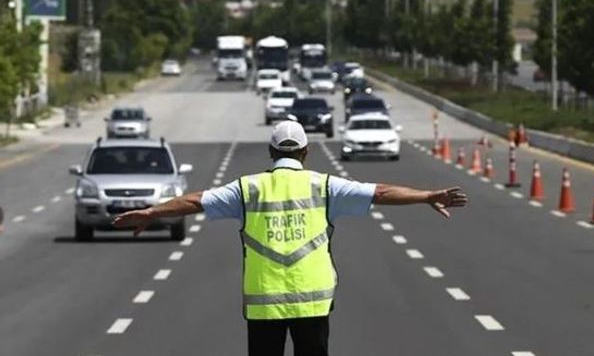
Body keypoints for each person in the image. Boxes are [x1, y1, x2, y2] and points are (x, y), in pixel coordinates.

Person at [113, 121, 468, 356]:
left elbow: (195, 201)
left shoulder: (247, 189)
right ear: (305, 152)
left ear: (271, 153)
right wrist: (426, 196)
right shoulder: (324, 185)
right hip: (312, 303)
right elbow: (381, 192)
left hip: (264, 303)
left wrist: (151, 212)